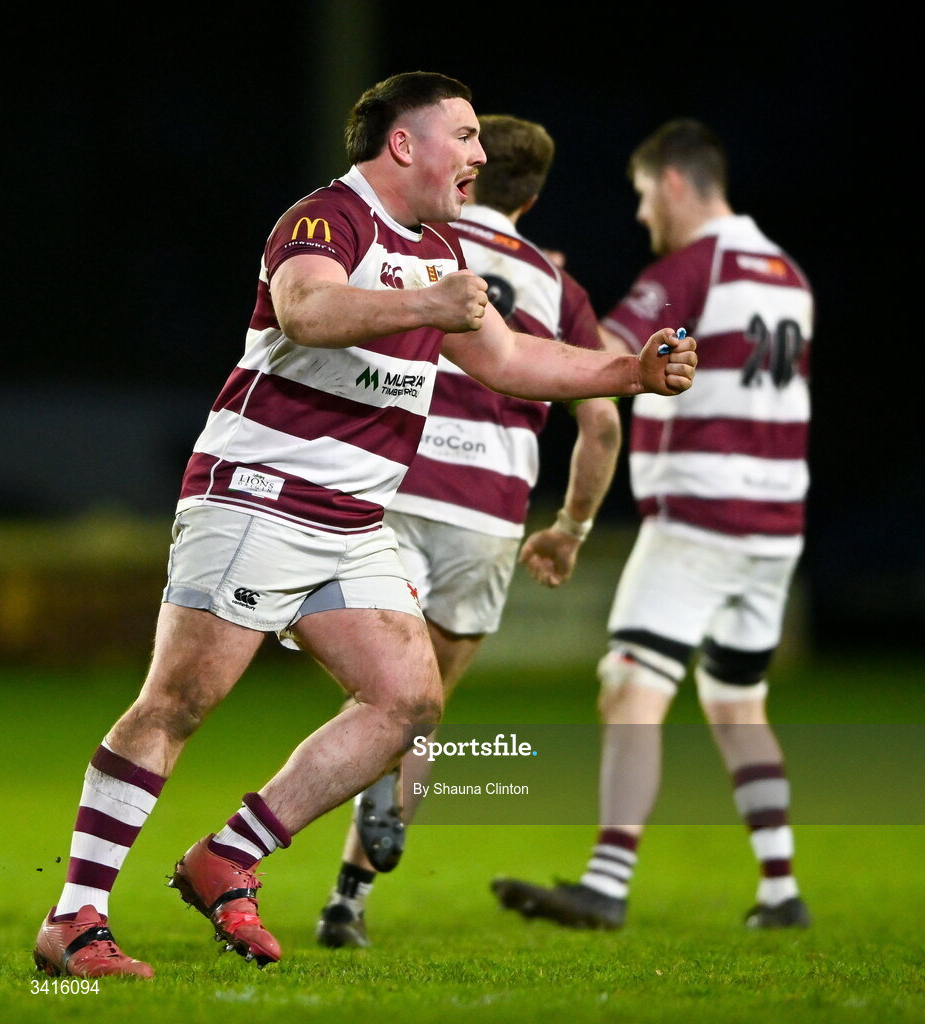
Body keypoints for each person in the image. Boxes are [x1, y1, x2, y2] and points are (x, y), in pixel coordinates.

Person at [33, 74, 697, 979]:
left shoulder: (439, 246)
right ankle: (74, 917)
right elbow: (307, 309)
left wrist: (630, 373)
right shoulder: (326, 219)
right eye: (461, 136)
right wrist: (428, 305)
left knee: (407, 703)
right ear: (403, 144)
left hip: (350, 519)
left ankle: (227, 855)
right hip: (260, 492)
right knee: (179, 702)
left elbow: (505, 358)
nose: (475, 154)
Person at [492, 118, 812, 931]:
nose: (640, 215)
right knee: (736, 702)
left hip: (702, 517)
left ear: (672, 182)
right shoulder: (788, 275)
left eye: (641, 196)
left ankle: (606, 882)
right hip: (777, 526)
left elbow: (608, 355)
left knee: (629, 684)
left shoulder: (689, 268)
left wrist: (543, 297)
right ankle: (779, 891)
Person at [314, 113, 623, 949]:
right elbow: (599, 427)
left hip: (393, 479)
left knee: (378, 692)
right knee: (423, 707)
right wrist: (570, 527)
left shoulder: (420, 243)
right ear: (535, 196)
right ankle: (348, 899)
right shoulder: (558, 288)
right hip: (488, 509)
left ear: (472, 173)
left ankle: (299, 864)